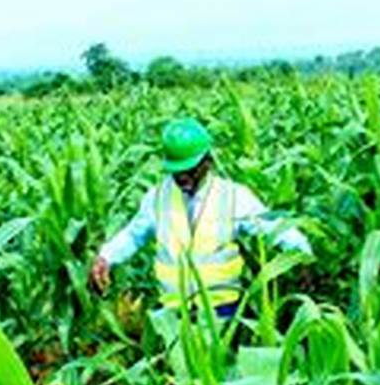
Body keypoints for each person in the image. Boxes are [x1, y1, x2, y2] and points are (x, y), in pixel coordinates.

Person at [89, 117, 311, 318]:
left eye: (190, 169)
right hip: (174, 311)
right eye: (177, 171)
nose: (183, 177)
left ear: (208, 161)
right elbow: (133, 236)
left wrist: (302, 254)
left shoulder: (234, 196)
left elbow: (275, 227)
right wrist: (106, 257)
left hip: (223, 308)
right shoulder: (156, 198)